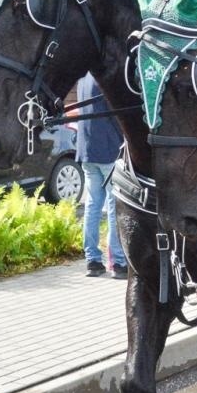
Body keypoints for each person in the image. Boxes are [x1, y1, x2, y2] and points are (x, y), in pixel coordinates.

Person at [73, 73, 125, 278]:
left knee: (92, 206)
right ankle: (118, 262)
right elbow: (116, 115)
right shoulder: (104, 78)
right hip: (109, 149)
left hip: (87, 149)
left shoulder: (83, 79)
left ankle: (93, 260)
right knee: (114, 207)